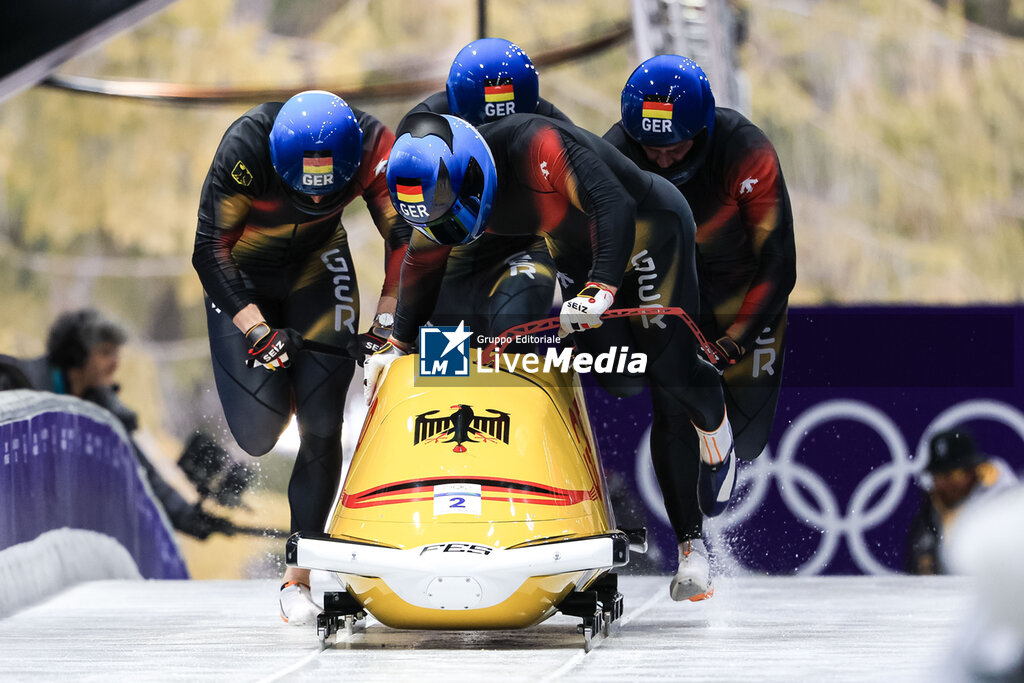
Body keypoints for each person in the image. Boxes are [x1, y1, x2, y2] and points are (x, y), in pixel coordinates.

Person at [363, 111, 735, 601]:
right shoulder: (434, 199)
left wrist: (602, 286)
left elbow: (612, 203)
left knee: (668, 371)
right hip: (579, 253)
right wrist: (396, 345)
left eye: (451, 210)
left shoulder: (537, 145)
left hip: (647, 233)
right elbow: (421, 268)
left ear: (472, 173)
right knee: (620, 379)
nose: (448, 225)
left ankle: (702, 495)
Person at [192, 90, 410, 626]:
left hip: (319, 268)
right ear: (278, 166)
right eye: (303, 192)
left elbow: (406, 238)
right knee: (260, 434)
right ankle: (270, 370)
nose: (316, 201)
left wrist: (385, 324)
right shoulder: (245, 147)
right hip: (242, 281)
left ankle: (299, 576)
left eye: (328, 194)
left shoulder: (374, 146)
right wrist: (259, 331)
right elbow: (209, 250)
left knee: (321, 423)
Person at [604, 55, 797, 587]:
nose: (663, 161)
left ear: (705, 130)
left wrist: (735, 343)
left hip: (740, 293)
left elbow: (780, 263)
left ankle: (722, 444)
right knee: (674, 398)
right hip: (667, 288)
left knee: (747, 441)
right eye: (651, 148)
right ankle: (692, 548)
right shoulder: (614, 155)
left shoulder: (746, 150)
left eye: (676, 146)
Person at [384, 37, 568, 348]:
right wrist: (396, 320)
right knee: (443, 370)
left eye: (511, 126)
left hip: (520, 249)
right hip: (449, 248)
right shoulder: (421, 133)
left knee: (513, 340)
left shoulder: (555, 131)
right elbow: (408, 227)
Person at [0, 308, 235, 541]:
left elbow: (141, 473)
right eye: (105, 353)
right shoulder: (14, 382)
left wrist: (190, 517)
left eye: (116, 353)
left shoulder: (103, 411)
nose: (115, 364)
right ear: (76, 355)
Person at [906, 428, 1018, 575]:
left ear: (973, 470)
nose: (944, 483)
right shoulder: (931, 511)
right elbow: (919, 574)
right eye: (937, 475)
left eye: (952, 474)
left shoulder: (1006, 503)